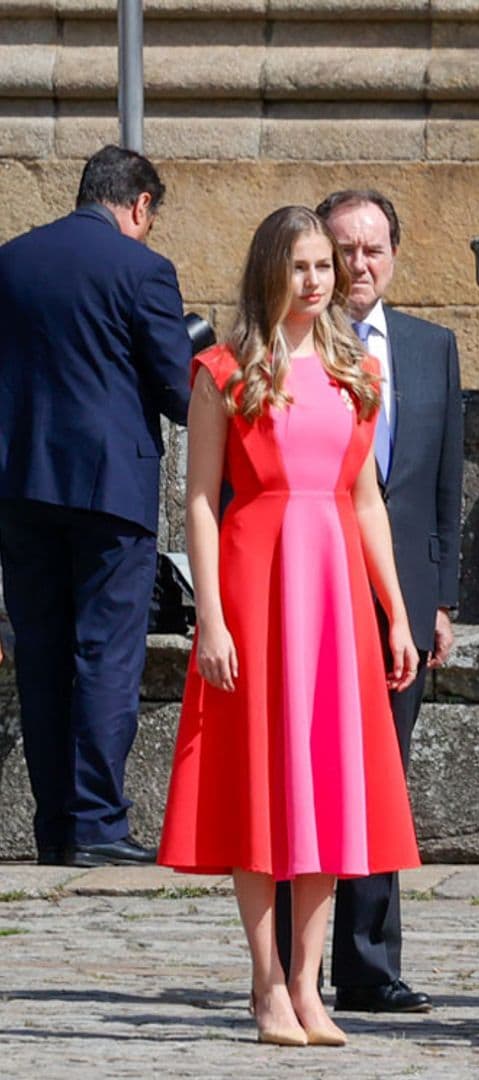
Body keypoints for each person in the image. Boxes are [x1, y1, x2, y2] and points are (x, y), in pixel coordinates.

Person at [157, 206, 421, 1045]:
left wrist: (398, 612)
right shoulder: (224, 370)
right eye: (302, 265)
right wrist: (212, 618)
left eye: (324, 265)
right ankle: (266, 981)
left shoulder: (358, 376)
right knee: (259, 784)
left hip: (335, 590)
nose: (318, 280)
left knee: (330, 788)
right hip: (255, 581)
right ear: (270, 270)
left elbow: (365, 499)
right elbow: (200, 498)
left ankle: (309, 987)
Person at [0, 145, 191, 868]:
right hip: (111, 489)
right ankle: (100, 824)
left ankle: (56, 827)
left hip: (20, 483)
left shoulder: (11, 260)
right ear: (139, 205)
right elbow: (178, 390)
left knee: (42, 653)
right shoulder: (143, 269)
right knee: (106, 655)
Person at [303, 189, 463, 1015]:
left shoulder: (432, 348)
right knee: (309, 769)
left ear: (394, 254)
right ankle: (297, 966)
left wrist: (439, 600)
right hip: (315, 583)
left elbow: (443, 485)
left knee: (380, 779)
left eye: (372, 250)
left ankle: (367, 964)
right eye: (343, 252)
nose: (360, 267)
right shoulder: (296, 348)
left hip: (403, 593)